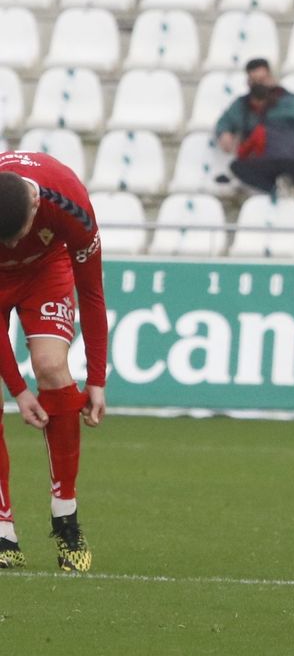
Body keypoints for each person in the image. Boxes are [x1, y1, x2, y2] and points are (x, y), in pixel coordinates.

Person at [0, 151, 108, 572]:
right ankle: (3, 528)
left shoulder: (70, 203)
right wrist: (18, 390)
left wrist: (96, 378)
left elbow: (92, 293)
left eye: (17, 234)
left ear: (35, 204)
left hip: (45, 270)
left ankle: (66, 517)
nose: (11, 245)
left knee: (51, 367)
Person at [214, 59, 294, 213]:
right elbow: (225, 122)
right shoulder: (243, 105)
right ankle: (277, 191)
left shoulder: (291, 103)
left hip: (291, 159)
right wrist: (224, 133)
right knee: (238, 167)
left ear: (271, 78)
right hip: (262, 160)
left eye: (263, 80)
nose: (259, 85)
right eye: (254, 81)